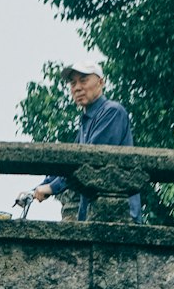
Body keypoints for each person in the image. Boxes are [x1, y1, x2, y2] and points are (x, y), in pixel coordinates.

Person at [23, 61, 141, 222]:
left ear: (101, 82)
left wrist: (51, 188)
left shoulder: (112, 112)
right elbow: (69, 164)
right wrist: (35, 190)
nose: (77, 87)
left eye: (83, 80)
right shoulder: (86, 122)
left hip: (119, 214)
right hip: (95, 214)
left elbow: (89, 161)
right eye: (73, 83)